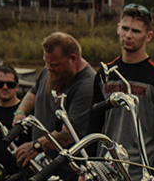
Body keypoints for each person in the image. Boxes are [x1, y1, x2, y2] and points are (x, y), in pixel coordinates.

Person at [100, 4, 154, 169]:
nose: (128, 35)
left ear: (148, 36)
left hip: (140, 176)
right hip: (103, 172)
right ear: (118, 29)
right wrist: (90, 164)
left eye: (136, 31)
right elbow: (94, 123)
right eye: (125, 28)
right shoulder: (105, 74)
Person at [13, 32, 99, 169]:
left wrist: (35, 146)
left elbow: (70, 133)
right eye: (46, 62)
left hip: (69, 171)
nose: (49, 68)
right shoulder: (50, 71)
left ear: (73, 59)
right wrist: (20, 113)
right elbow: (34, 92)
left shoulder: (87, 86)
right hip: (43, 165)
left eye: (54, 64)